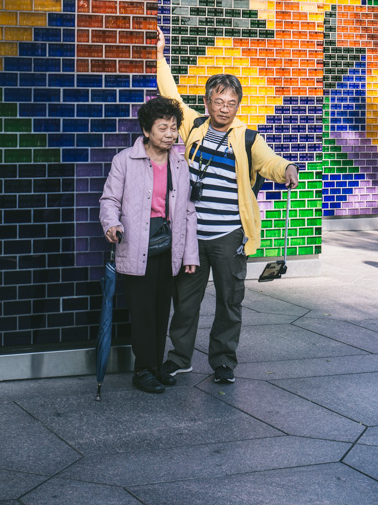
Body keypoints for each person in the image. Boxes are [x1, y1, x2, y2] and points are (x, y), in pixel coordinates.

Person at [155, 28, 299, 385]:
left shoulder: (248, 137)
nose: (224, 108)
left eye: (231, 103)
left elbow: (270, 162)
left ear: (238, 105)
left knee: (229, 302)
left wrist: (287, 169)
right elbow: (170, 95)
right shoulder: (194, 126)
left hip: (228, 236)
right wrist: (159, 55)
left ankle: (222, 362)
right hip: (191, 236)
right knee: (185, 301)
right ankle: (179, 357)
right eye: (218, 101)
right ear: (207, 102)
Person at [99, 96, 199, 394]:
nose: (170, 134)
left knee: (160, 310)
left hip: (168, 247)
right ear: (146, 130)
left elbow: (188, 211)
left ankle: (155, 367)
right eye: (163, 128)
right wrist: (111, 224)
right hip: (135, 245)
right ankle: (142, 369)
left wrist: (190, 254)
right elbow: (109, 200)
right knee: (142, 311)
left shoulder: (180, 164)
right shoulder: (125, 161)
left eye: (173, 128)